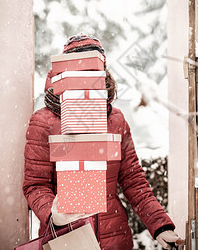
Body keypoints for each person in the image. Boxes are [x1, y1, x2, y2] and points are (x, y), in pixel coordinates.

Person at [23, 34, 183, 250]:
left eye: (93, 72)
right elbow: (35, 185)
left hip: (114, 240)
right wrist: (53, 214)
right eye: (79, 72)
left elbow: (133, 180)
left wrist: (160, 226)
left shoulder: (115, 120)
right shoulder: (44, 121)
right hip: (66, 240)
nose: (86, 79)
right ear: (64, 74)